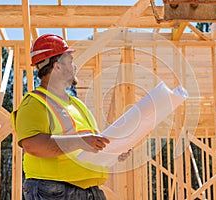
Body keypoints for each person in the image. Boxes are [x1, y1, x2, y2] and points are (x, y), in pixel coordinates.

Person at [11, 34, 130, 200]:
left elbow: (87, 146)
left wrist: (113, 152)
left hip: (89, 191)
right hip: (54, 191)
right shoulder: (34, 103)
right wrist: (80, 141)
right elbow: (32, 145)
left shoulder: (76, 105)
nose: (74, 66)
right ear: (57, 66)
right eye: (70, 61)